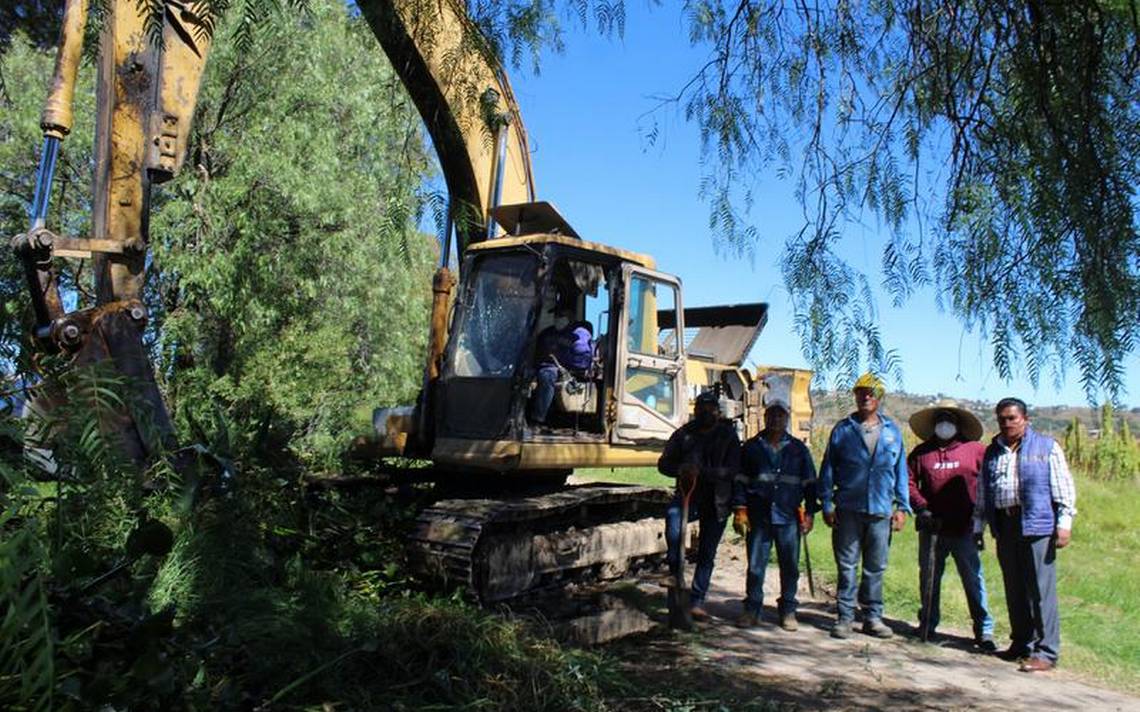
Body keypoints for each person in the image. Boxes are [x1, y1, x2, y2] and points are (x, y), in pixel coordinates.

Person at [974, 397, 1077, 672]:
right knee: (1014, 587)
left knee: (1040, 590)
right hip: (1005, 526)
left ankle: (1046, 651)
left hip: (1037, 524)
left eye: (1012, 418)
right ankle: (1022, 643)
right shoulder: (992, 452)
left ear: (1025, 419)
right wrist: (979, 526)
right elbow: (984, 493)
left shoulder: (1046, 447)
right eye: (1002, 419)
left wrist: (1064, 523)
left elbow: (1063, 487)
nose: (1006, 423)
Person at [819, 372, 910, 639]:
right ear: (855, 396)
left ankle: (873, 618)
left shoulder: (892, 432)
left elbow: (900, 471)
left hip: (880, 510)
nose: (866, 396)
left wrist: (902, 507)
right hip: (848, 509)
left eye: (871, 392)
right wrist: (826, 502)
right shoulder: (843, 429)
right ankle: (845, 618)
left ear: (879, 397)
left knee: (875, 567)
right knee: (847, 566)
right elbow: (828, 468)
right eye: (861, 392)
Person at [907, 399, 996, 650]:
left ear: (958, 424)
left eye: (950, 419)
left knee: (973, 578)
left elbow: (988, 483)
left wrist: (983, 520)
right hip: (932, 527)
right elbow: (908, 482)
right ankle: (927, 623)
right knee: (929, 578)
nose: (944, 424)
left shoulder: (975, 450)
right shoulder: (921, 453)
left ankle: (984, 630)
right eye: (940, 419)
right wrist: (921, 507)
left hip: (965, 529)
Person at [732, 398, 819, 631]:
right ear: (765, 417)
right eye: (772, 415)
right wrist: (740, 509)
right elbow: (740, 480)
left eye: (781, 415)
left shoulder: (798, 450)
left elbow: (810, 483)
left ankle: (788, 611)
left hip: (788, 517)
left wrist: (810, 512)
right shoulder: (751, 447)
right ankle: (752, 609)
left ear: (787, 419)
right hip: (759, 517)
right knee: (755, 566)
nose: (776, 419)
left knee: (789, 565)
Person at [658, 390, 742, 620]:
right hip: (687, 496)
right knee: (673, 530)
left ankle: (697, 600)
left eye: (710, 409)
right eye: (701, 409)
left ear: (717, 411)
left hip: (718, 501)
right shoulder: (684, 434)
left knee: (706, 553)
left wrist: (702, 472)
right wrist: (680, 469)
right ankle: (675, 575)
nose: (706, 412)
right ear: (695, 411)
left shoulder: (727, 436)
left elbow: (733, 470)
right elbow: (663, 464)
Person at [528, 307, 594, 425]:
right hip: (540, 366)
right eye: (556, 316)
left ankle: (538, 419)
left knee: (547, 376)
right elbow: (534, 352)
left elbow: (582, 360)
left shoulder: (579, 334)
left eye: (561, 315)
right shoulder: (547, 333)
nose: (557, 318)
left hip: (562, 369)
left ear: (570, 317)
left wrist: (563, 361)